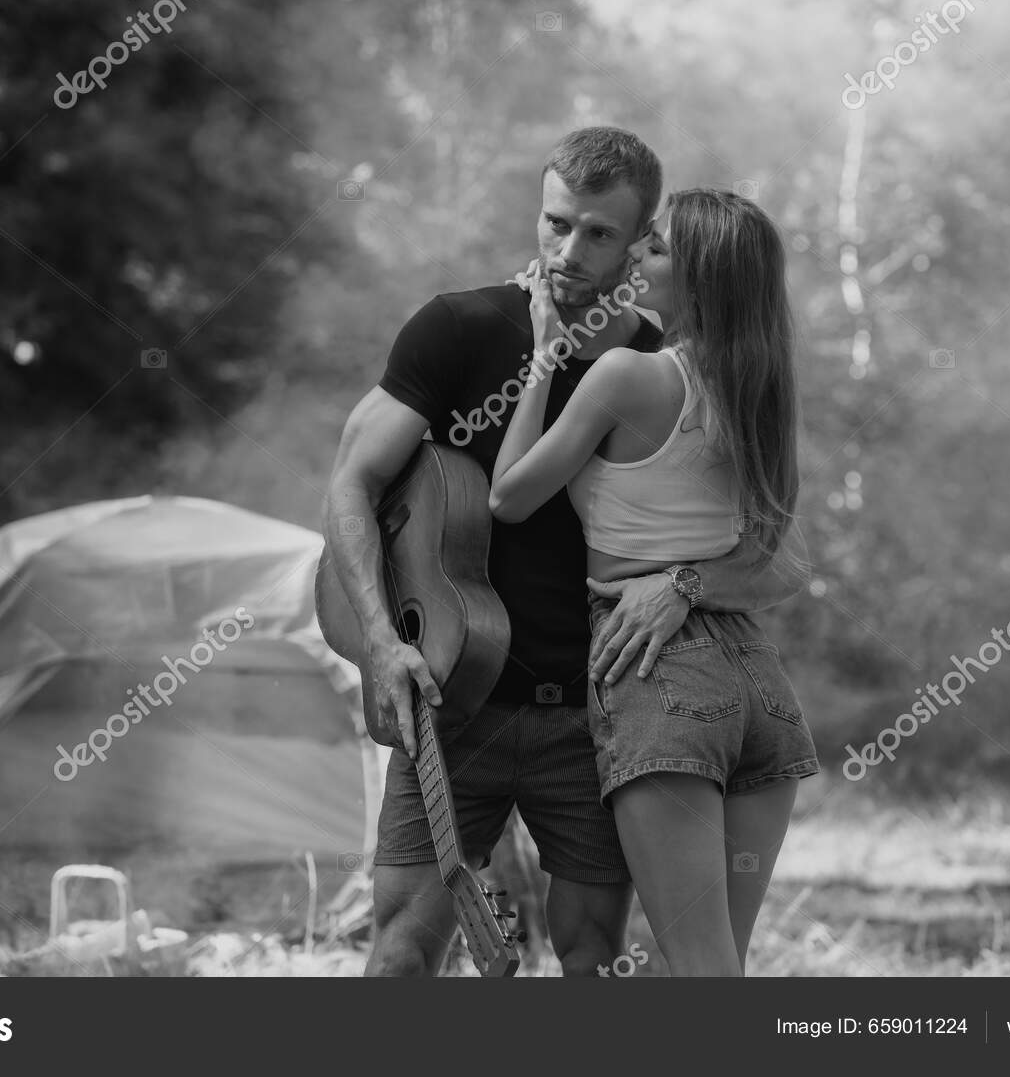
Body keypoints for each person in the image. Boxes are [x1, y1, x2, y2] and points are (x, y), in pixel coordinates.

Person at [323, 127, 795, 977]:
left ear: (642, 242)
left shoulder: (665, 363)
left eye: (600, 233)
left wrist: (682, 586)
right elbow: (353, 480)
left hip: (597, 708)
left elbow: (773, 554)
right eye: (556, 223)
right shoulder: (460, 327)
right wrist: (382, 641)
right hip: (451, 701)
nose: (569, 251)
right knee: (401, 953)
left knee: (592, 958)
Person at [489, 187, 818, 976]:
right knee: (719, 966)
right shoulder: (757, 390)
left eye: (659, 247)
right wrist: (688, 580)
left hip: (659, 673)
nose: (638, 252)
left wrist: (543, 355)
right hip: (758, 683)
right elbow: (786, 561)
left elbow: (509, 496)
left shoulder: (624, 375)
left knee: (699, 969)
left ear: (699, 281)